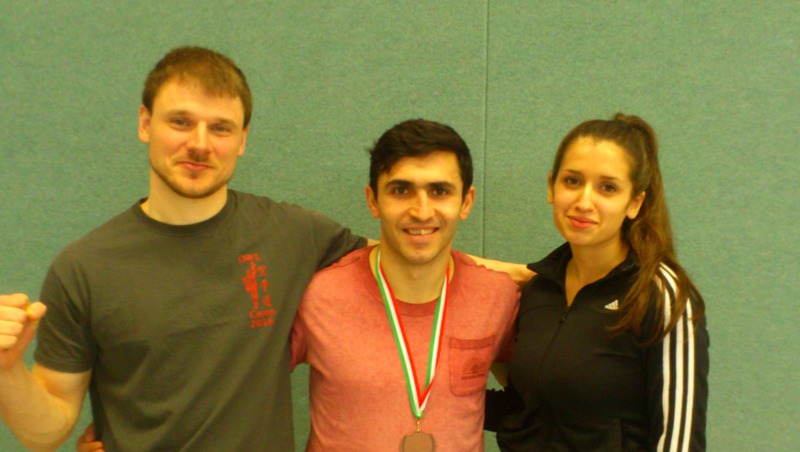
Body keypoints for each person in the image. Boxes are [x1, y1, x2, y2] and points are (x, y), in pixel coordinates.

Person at [0, 46, 367, 451]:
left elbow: (400, 262)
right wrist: (6, 370)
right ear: (145, 123)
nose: (199, 144)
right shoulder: (83, 268)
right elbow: (45, 432)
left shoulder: (292, 235)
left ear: (242, 140)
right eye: (180, 122)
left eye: (221, 128)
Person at [288, 119, 519, 451]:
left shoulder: (497, 297)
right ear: (373, 200)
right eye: (401, 190)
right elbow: (244, 386)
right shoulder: (317, 295)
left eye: (439, 191)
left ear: (466, 202)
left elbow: (540, 395)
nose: (421, 211)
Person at [485, 113, 710, 451]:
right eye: (572, 181)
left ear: (634, 203)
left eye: (608, 187)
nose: (584, 202)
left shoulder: (660, 296)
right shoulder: (539, 291)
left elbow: (680, 442)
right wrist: (438, 397)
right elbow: (527, 413)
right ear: (551, 187)